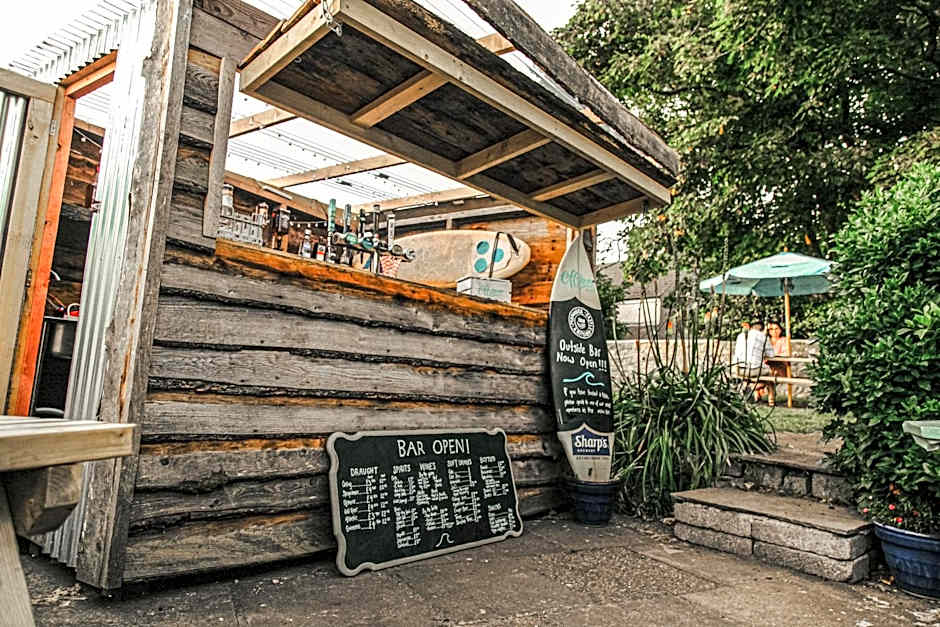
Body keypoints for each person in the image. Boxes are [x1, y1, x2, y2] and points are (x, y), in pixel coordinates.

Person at [744, 321, 775, 405]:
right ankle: (771, 401)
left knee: (751, 377)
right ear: (763, 329)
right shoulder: (763, 337)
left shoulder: (741, 335)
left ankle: (751, 391)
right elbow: (771, 355)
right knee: (770, 376)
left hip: (739, 368)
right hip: (754, 369)